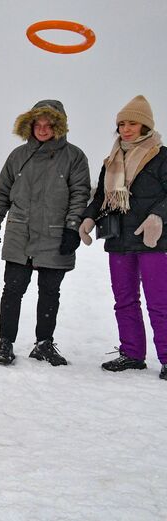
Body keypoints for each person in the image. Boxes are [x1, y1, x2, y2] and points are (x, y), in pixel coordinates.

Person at [0, 100, 90, 366]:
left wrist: (72, 228)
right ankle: (5, 342)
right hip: (20, 234)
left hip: (55, 235)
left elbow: (80, 195)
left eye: (49, 125)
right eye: (37, 124)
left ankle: (44, 344)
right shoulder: (18, 156)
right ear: (29, 126)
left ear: (59, 127)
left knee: (49, 292)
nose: (42, 130)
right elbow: (2, 193)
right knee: (12, 290)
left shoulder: (74, 157)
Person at [78, 95, 167, 380]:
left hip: (153, 240)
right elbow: (103, 197)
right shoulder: (112, 159)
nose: (126, 129)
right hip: (119, 240)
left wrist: (159, 216)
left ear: (145, 126)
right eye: (121, 124)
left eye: (132, 123)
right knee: (125, 300)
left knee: (159, 301)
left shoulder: (161, 156)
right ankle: (132, 353)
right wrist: (89, 218)